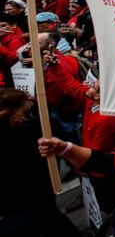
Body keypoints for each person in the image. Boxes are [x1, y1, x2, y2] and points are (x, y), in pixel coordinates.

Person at [2, 89, 81, 236]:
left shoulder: (22, 129)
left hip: (27, 189)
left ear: (7, 109)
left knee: (47, 219)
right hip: (34, 188)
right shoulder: (28, 120)